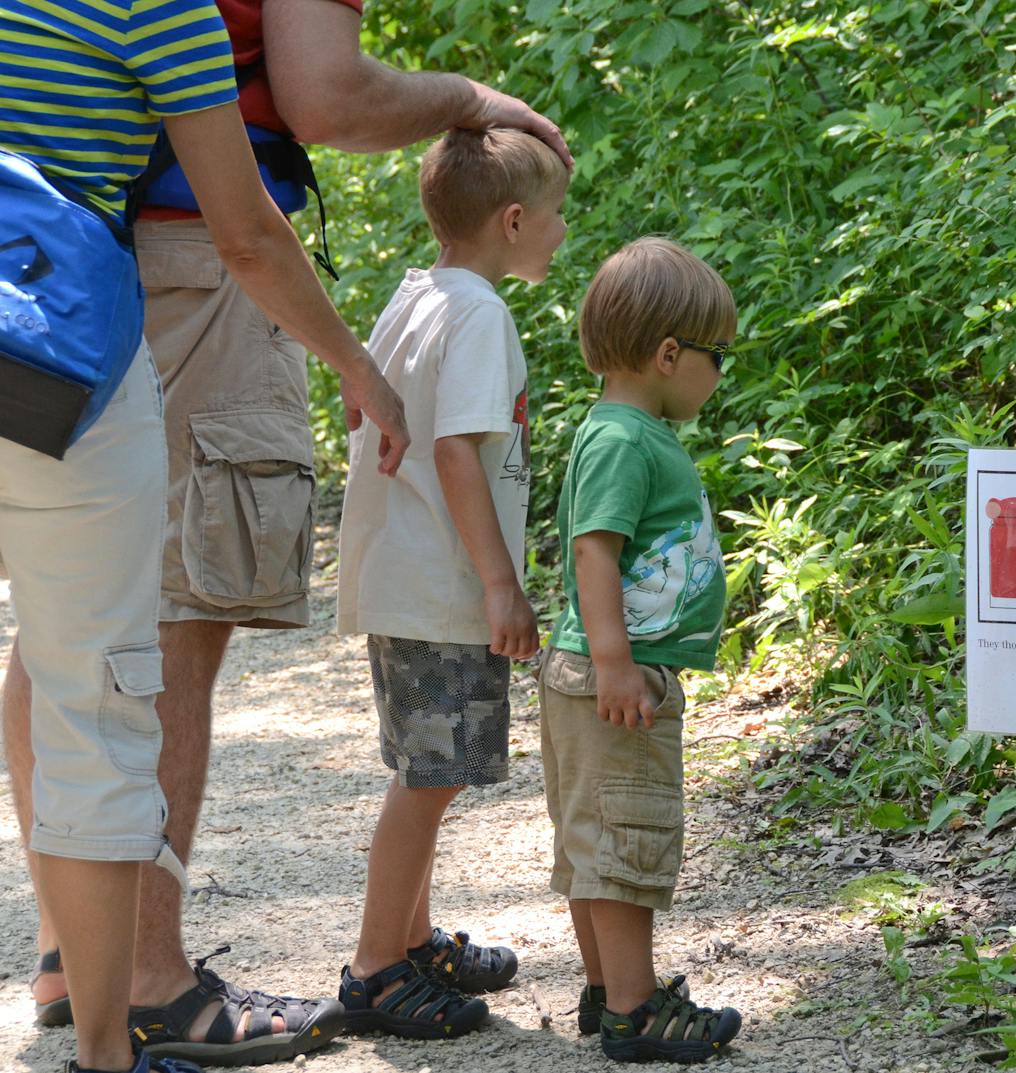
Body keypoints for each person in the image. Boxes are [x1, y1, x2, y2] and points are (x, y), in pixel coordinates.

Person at [4, 0, 571, 1064]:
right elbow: (322, 100)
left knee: (66, 622)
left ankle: (79, 959)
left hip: (35, 288)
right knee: (165, 615)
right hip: (171, 265)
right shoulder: (158, 15)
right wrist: (464, 98)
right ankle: (148, 980)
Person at [334, 126, 568, 1037]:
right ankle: (376, 968)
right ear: (512, 220)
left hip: (408, 574)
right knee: (428, 779)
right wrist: (500, 584)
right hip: (441, 587)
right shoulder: (478, 313)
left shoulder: (419, 295)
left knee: (424, 766)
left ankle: (415, 937)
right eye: (555, 215)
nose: (561, 231)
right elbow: (456, 451)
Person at [539, 237, 744, 1064]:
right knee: (626, 838)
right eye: (716, 357)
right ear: (669, 354)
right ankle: (634, 1007)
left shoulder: (624, 430)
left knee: (597, 837)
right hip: (611, 675)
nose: (718, 374)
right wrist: (617, 661)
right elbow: (595, 549)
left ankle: (606, 989)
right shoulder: (625, 438)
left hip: (594, 671)